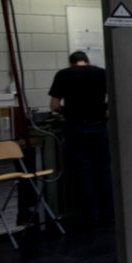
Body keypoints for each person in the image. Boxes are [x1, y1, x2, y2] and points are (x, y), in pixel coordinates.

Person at [49, 51, 113, 228]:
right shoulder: (102, 73)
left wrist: (67, 111)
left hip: (75, 128)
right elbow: (114, 100)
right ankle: (108, 214)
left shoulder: (63, 74)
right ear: (88, 61)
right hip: (99, 127)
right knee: (104, 171)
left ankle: (91, 217)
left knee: (84, 172)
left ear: (71, 63)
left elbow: (54, 106)